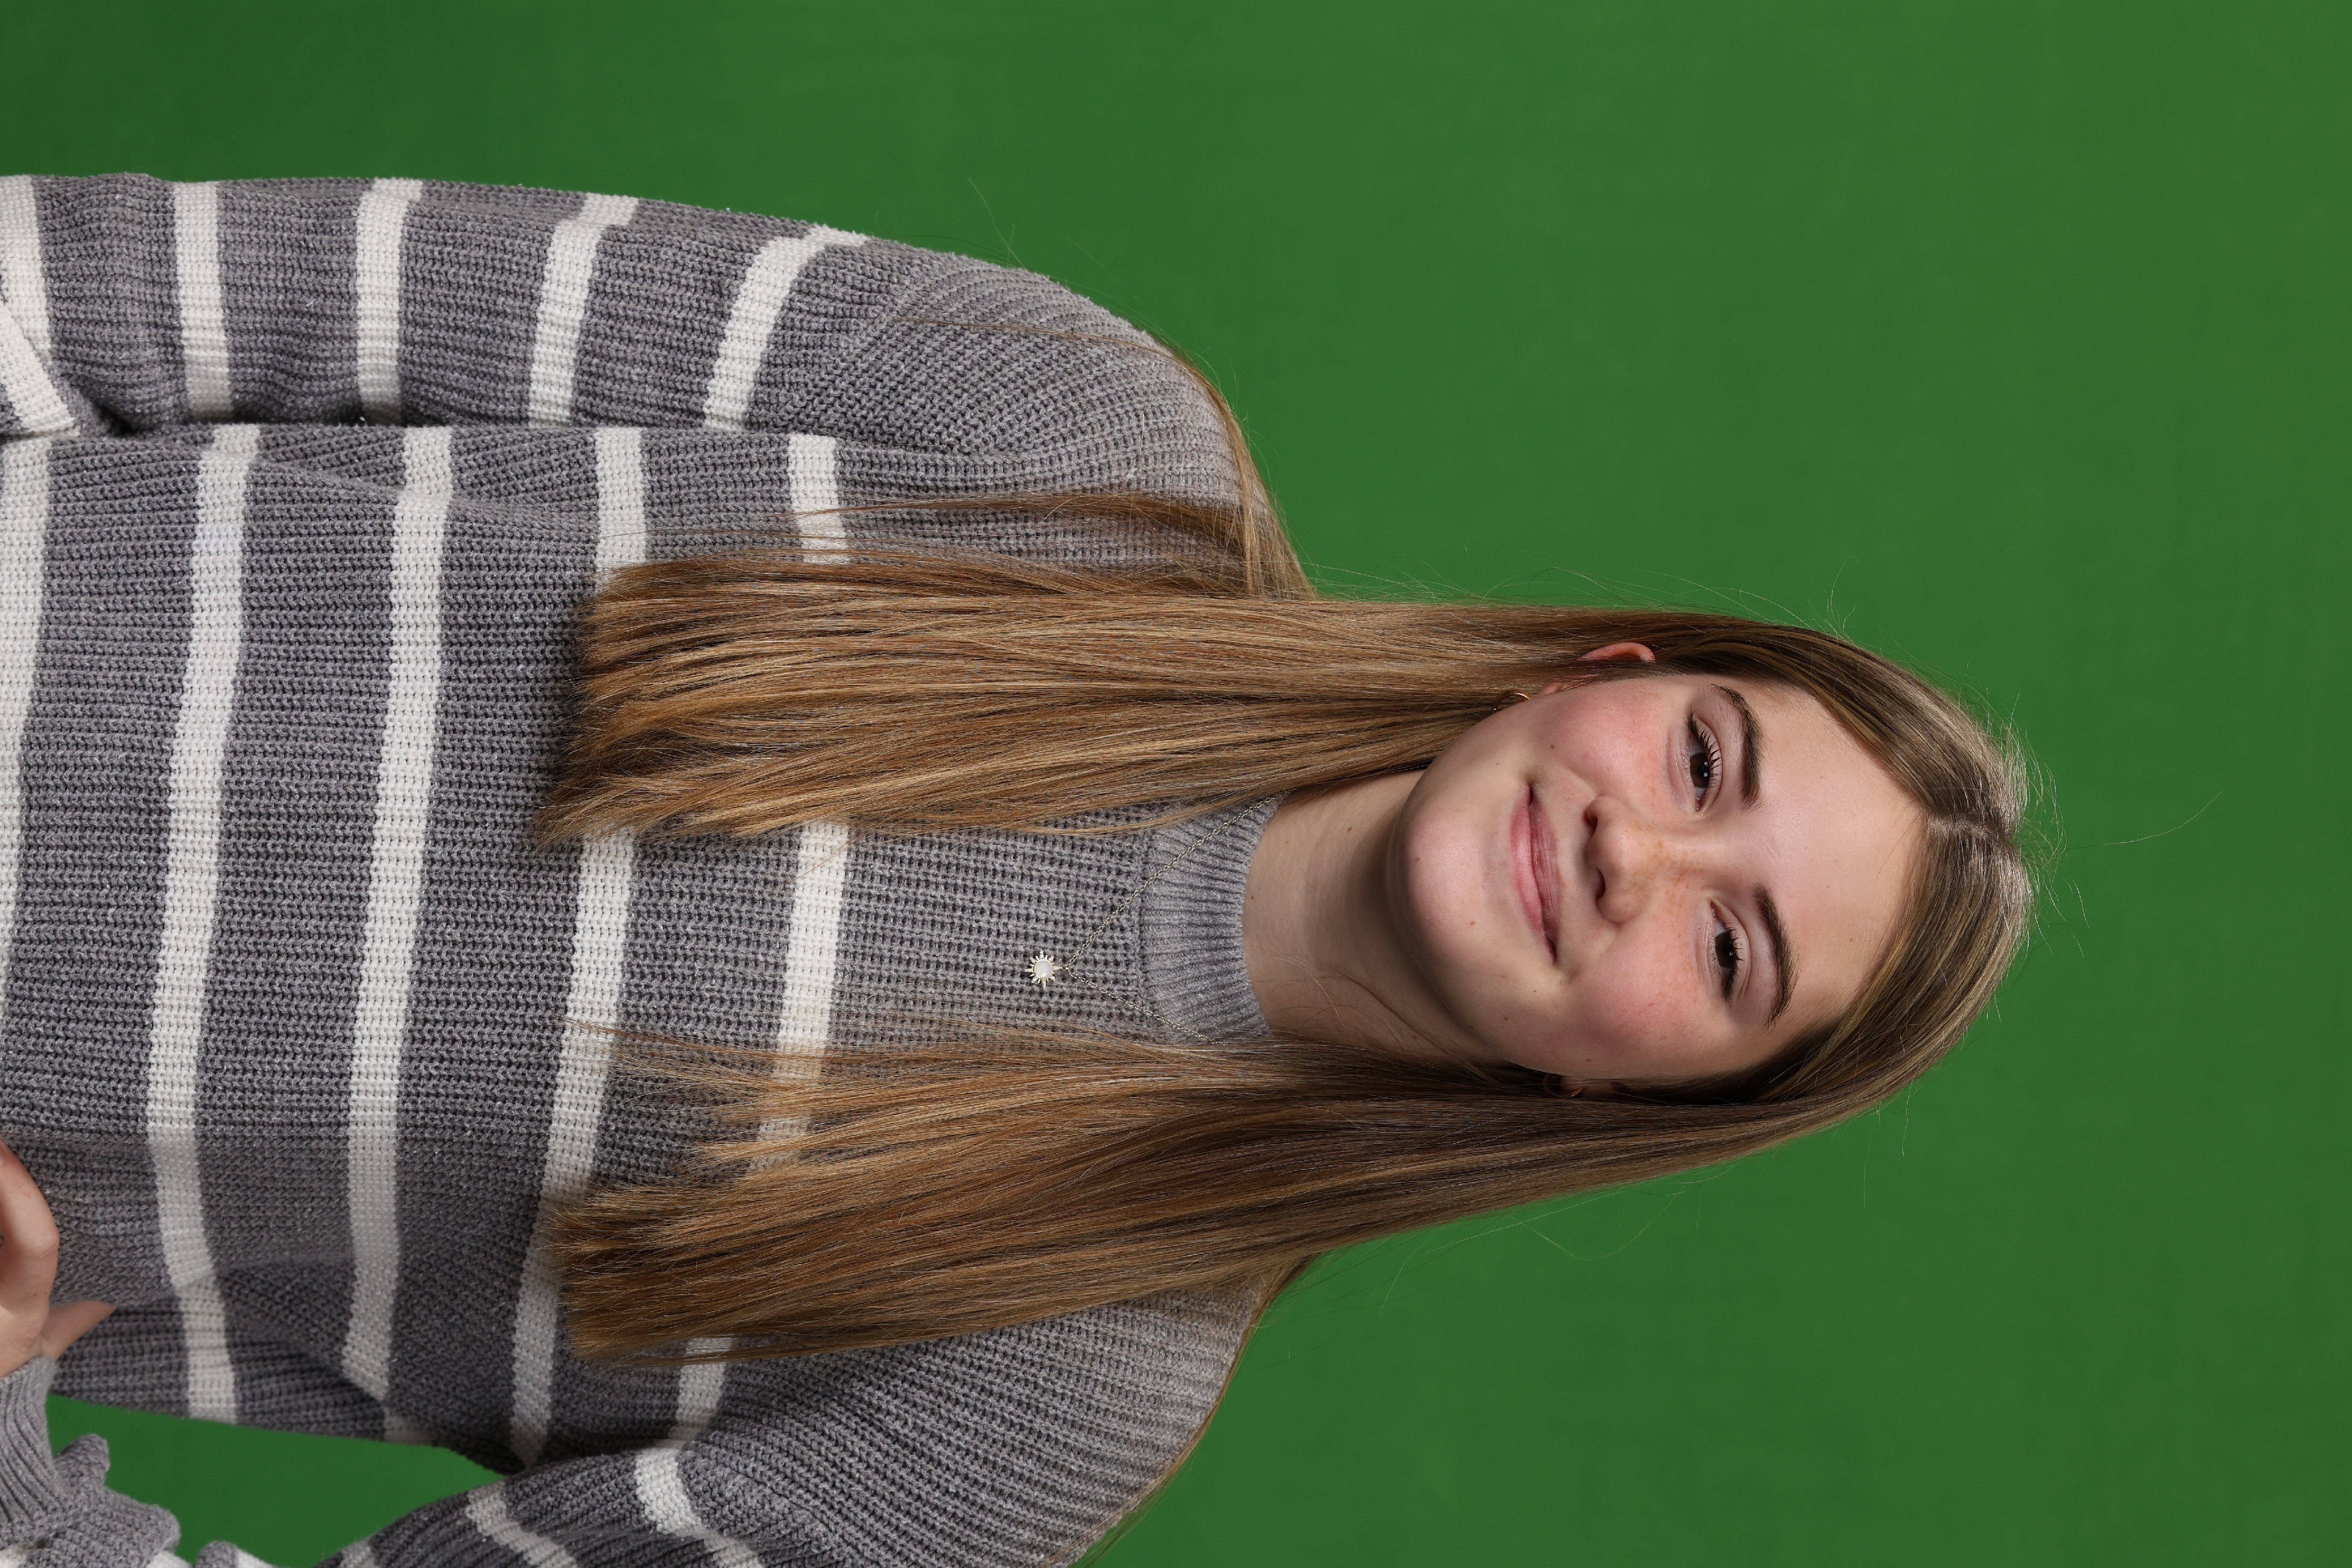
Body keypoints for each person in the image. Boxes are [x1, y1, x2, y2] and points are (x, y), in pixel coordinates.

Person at [0, 174, 2030, 1568]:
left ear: (1637, 1096)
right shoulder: (1059, 423)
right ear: (1611, 671)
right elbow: (148, 283)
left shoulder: (1050, 1394)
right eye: (1702, 760)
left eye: (1731, 947)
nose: (1634, 851)